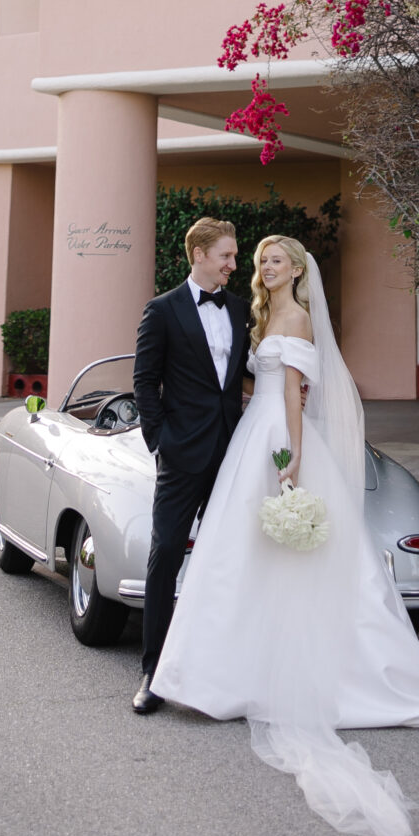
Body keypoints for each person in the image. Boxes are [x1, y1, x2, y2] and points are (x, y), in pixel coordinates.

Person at [147, 234, 419, 836]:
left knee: (282, 559)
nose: (263, 267)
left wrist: (291, 458)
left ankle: (267, 674)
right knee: (245, 560)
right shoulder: (259, 315)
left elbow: (295, 395)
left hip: (278, 439)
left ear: (297, 270)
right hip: (251, 432)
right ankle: (226, 671)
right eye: (259, 260)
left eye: (275, 260)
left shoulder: (292, 315)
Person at [130, 216, 249, 716]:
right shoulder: (162, 311)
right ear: (198, 254)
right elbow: (144, 382)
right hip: (181, 456)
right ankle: (153, 673)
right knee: (166, 556)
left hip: (233, 452)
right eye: (226, 255)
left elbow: (239, 374)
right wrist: (162, 442)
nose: (233, 264)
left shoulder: (241, 309)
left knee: (228, 559)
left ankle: (218, 669)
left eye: (235, 256)